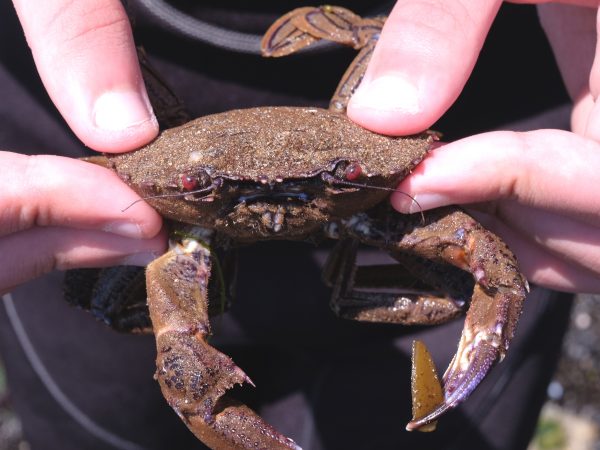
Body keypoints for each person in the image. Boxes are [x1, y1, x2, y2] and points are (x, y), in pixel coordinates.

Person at [0, 1, 590, 449]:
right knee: (120, 387)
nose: (274, 205)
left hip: (494, 72)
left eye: (335, 177)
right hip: (80, 106)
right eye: (216, 189)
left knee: (487, 280)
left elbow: (491, 263)